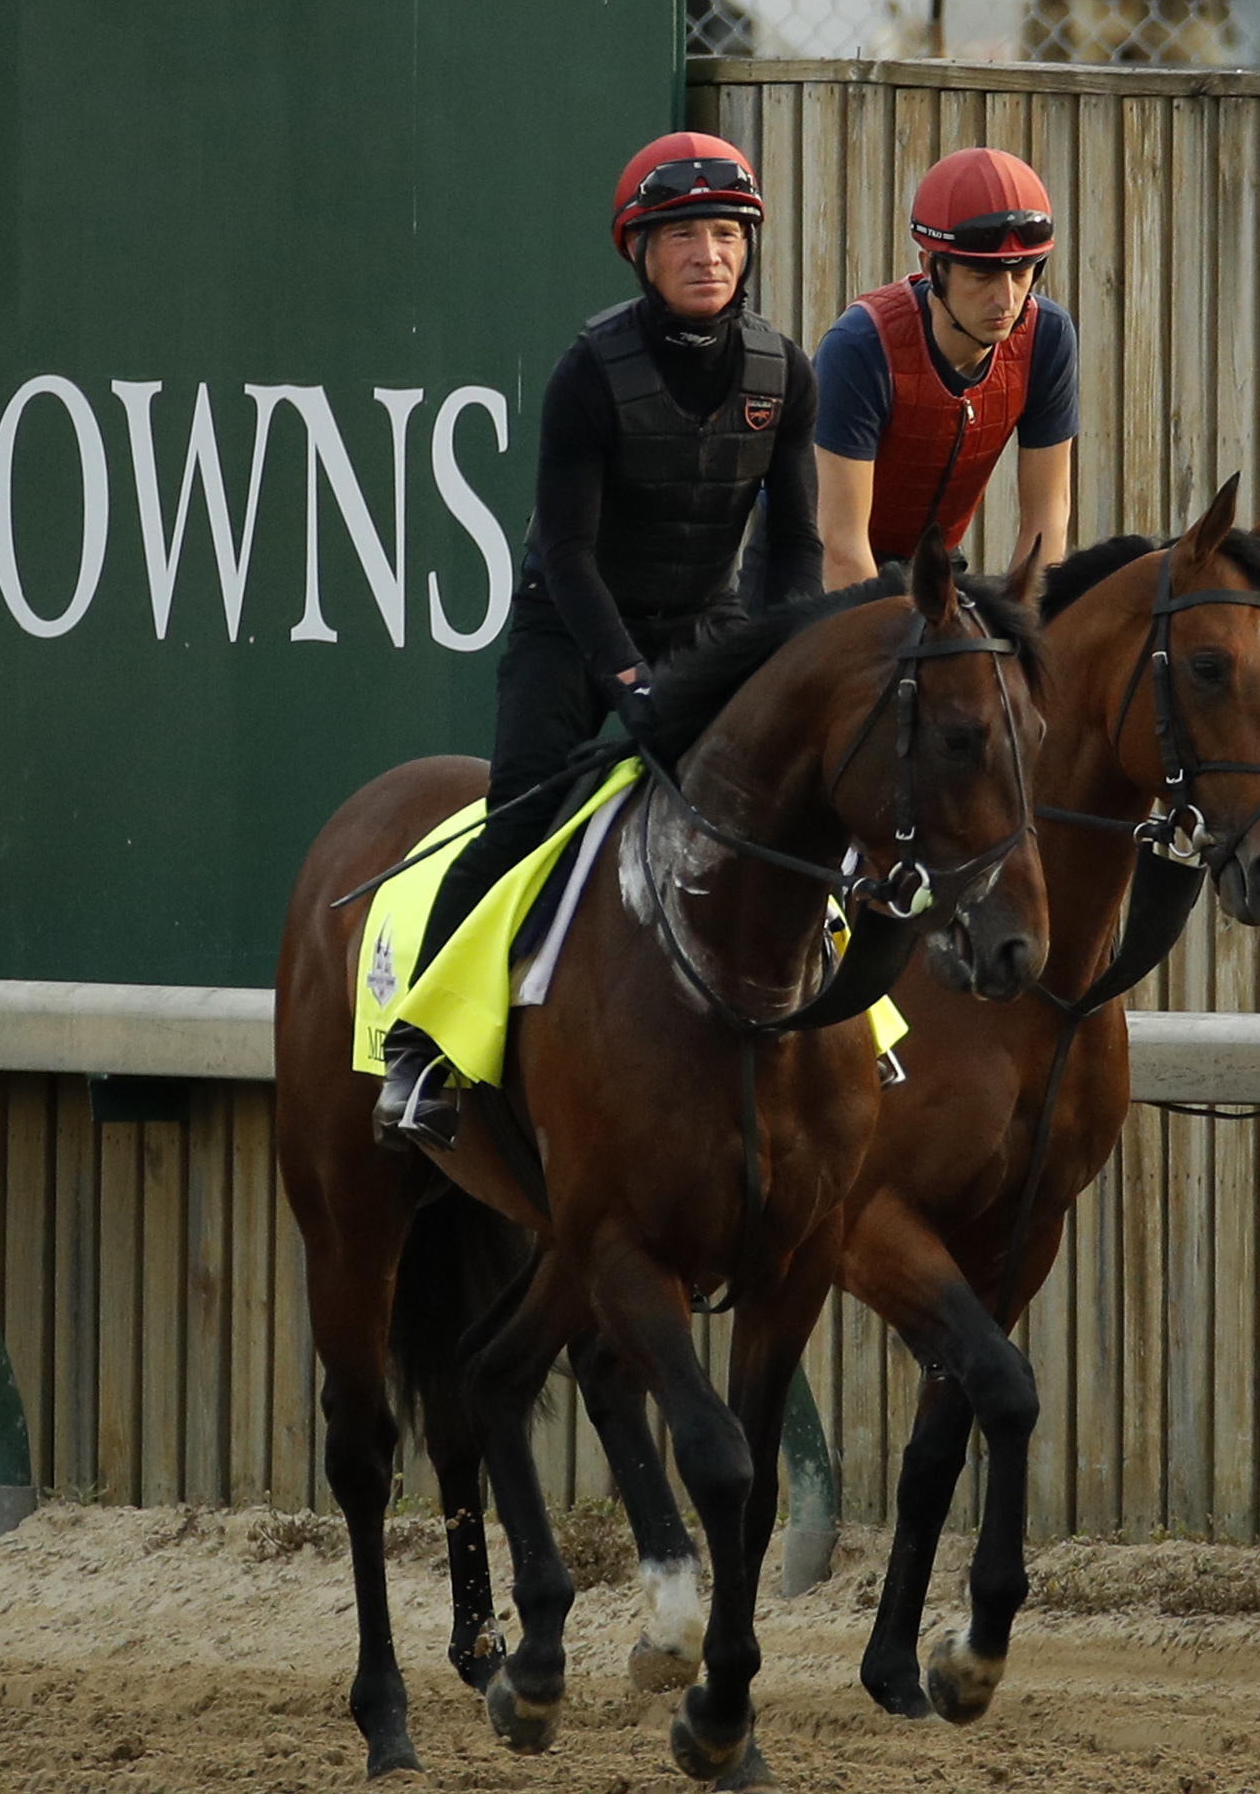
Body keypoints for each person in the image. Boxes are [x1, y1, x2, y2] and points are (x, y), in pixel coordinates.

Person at [376, 132, 822, 1151]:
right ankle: (417, 1052)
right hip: (569, 629)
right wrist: (629, 682)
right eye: (680, 237)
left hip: (702, 627)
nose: (706, 253)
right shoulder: (588, 372)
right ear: (638, 251)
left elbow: (795, 546)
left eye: (724, 233)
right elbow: (568, 556)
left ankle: (858, 1027)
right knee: (521, 817)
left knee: (798, 806)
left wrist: (769, 662)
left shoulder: (783, 373)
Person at [812, 147, 1078, 590]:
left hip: (933, 564)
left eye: (1020, 274)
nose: (1006, 300)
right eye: (982, 276)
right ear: (932, 268)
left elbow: (1048, 516)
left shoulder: (1046, 337)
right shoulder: (860, 348)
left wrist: (1022, 627)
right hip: (816, 563)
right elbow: (841, 545)